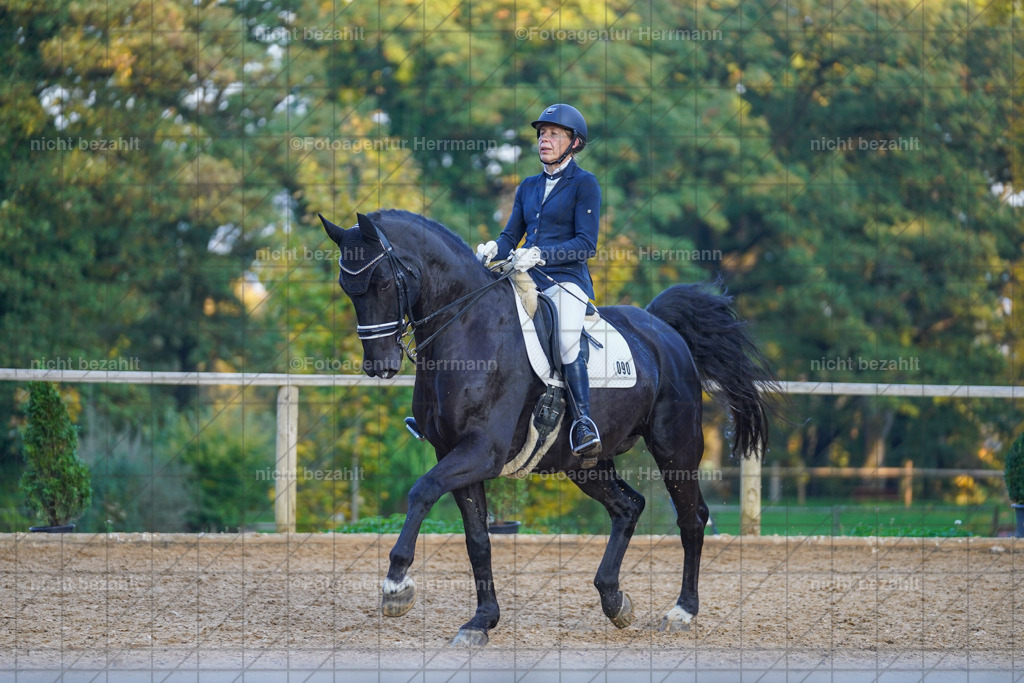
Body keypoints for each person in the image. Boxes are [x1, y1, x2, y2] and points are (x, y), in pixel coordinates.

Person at [477, 103, 602, 460]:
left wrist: (542, 254)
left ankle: (583, 423)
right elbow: (509, 236)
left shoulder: (585, 183)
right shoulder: (528, 186)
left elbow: (586, 244)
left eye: (553, 134)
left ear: (574, 142)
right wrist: (492, 249)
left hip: (566, 280)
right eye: (541, 134)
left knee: (565, 341)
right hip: (524, 276)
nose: (544, 140)